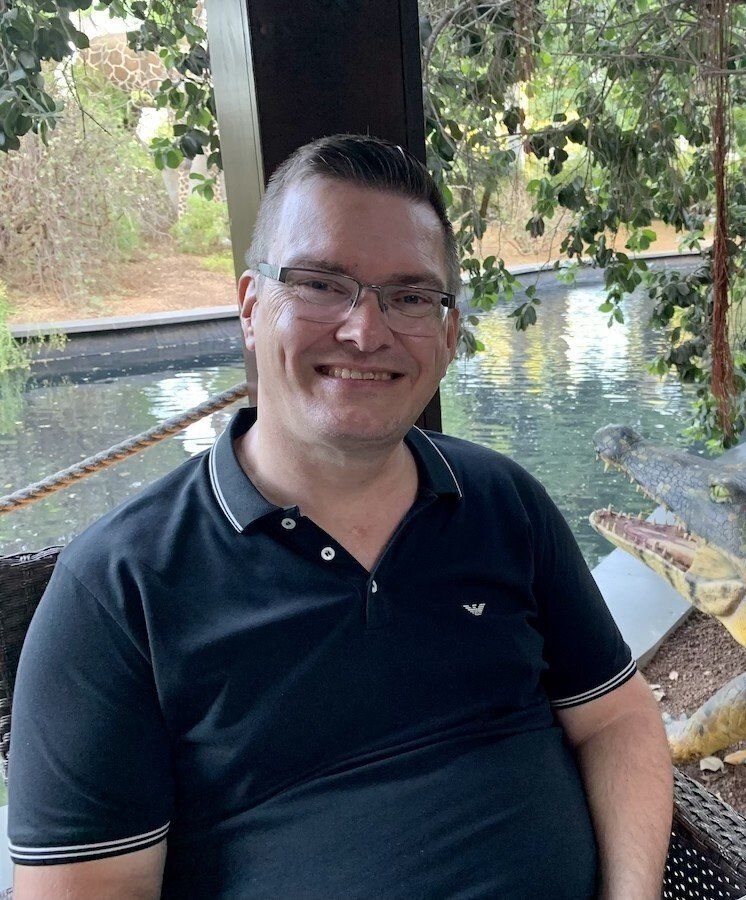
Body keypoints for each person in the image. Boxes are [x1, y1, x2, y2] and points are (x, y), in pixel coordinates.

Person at [7, 134, 674, 898]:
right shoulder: (119, 588)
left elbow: (615, 719)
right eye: (321, 284)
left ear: (448, 334)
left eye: (410, 296)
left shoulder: (503, 503)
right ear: (252, 308)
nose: (365, 330)